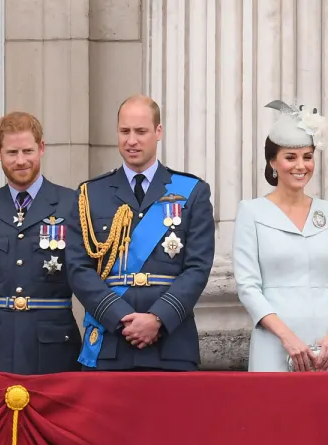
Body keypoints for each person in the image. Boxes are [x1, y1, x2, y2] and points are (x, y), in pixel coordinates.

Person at [65, 95, 216, 371]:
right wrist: (120, 317)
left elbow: (197, 268)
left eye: (140, 131)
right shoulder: (90, 194)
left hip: (171, 344)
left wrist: (158, 318)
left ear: (158, 132)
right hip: (111, 342)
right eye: (125, 132)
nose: (131, 141)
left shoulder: (191, 191)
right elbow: (78, 268)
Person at [233, 101, 328, 372]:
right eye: (291, 157)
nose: (301, 165)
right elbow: (248, 287)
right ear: (273, 162)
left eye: (307, 156)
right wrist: (287, 338)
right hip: (275, 343)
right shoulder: (251, 212)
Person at [0, 112, 80, 374]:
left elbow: (85, 273)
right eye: (12, 152)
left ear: (42, 148)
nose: (21, 160)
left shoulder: (72, 204)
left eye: (28, 151)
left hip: (54, 343)